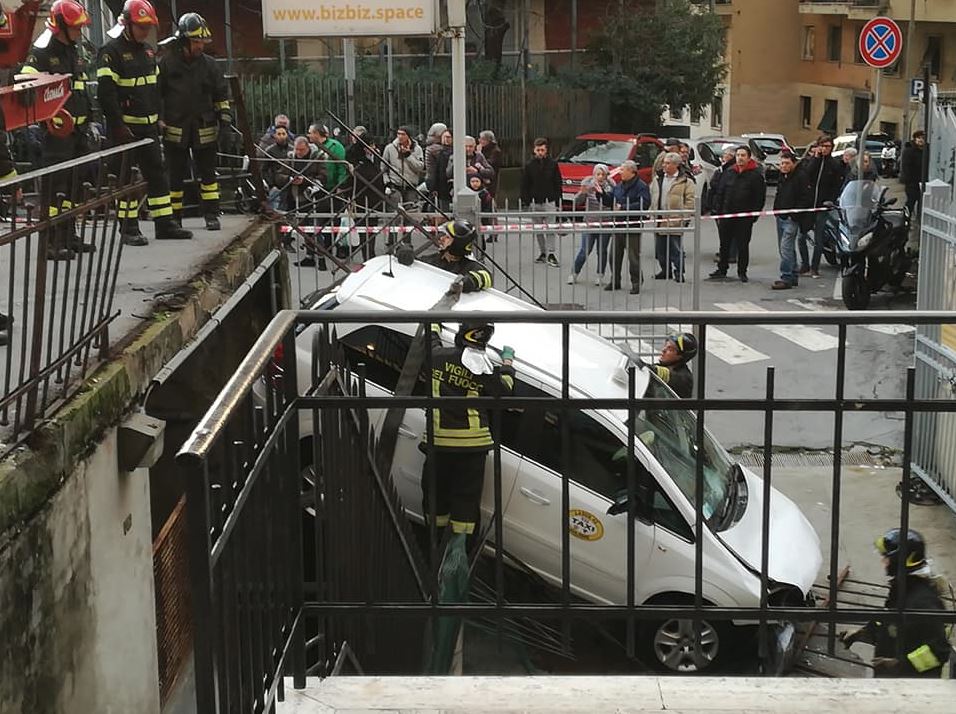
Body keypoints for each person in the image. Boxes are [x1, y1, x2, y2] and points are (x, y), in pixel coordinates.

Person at [97, 0, 192, 245]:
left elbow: (156, 88)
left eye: (147, 27)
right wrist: (117, 125)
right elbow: (106, 94)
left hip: (149, 127)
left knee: (157, 174)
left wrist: (160, 116)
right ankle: (129, 228)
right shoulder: (111, 52)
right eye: (140, 27)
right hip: (126, 129)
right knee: (126, 178)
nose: (144, 31)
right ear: (127, 24)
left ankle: (165, 224)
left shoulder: (148, 51)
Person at [420, 320, 515, 539]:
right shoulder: (486, 369)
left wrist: (434, 324)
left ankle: (434, 545)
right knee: (466, 502)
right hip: (472, 449)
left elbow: (428, 342)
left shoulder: (437, 357)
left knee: (435, 499)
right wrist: (508, 362)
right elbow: (506, 390)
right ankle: (460, 551)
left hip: (439, 445)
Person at [20, 0, 96, 259]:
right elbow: (26, 86)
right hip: (55, 135)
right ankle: (51, 242)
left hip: (78, 130)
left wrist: (90, 118)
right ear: (61, 25)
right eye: (75, 27)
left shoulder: (73, 50)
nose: (79, 31)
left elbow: (80, 86)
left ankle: (68, 234)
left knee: (74, 187)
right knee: (55, 188)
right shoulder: (41, 52)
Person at [841, 528, 952, 678]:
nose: (883, 562)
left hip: (912, 689)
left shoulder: (923, 602)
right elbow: (892, 621)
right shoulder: (903, 588)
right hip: (890, 681)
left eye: (887, 558)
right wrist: (864, 632)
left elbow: (939, 651)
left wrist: (900, 664)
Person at [159, 12, 232, 231]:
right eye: (196, 41)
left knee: (208, 175)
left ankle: (211, 214)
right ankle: (175, 218)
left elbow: (221, 94)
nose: (200, 46)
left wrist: (225, 121)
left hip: (204, 127)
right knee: (175, 177)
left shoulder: (209, 65)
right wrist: (159, 120)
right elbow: (157, 94)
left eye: (202, 41)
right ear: (184, 40)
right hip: (175, 128)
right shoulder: (167, 64)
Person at [709, 145, 766, 283]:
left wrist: (754, 215)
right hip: (727, 214)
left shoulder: (755, 175)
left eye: (743, 155)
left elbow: (759, 198)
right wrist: (719, 210)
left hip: (744, 216)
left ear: (748, 157)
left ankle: (742, 271)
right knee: (724, 244)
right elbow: (720, 191)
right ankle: (722, 269)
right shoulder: (729, 172)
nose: (740, 158)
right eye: (738, 155)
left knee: (742, 245)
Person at [397, 219, 493, 293]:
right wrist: (403, 251)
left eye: (447, 237)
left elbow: (488, 277)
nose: (441, 238)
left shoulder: (469, 267)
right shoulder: (432, 260)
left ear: (458, 244)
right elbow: (414, 265)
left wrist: (472, 281)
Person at [800, 135, 845, 278]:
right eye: (822, 146)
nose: (825, 149)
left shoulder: (834, 164)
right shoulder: (812, 161)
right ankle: (805, 264)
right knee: (802, 236)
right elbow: (806, 174)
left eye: (828, 147)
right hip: (808, 205)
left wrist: (830, 200)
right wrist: (816, 157)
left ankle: (815, 266)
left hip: (823, 205)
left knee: (819, 237)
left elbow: (837, 185)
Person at [650, 152, 696, 283]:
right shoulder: (658, 179)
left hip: (675, 219)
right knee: (660, 248)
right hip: (660, 218)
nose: (664, 165)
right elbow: (652, 195)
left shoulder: (686, 181)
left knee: (675, 247)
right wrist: (651, 211)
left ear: (676, 165)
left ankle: (679, 271)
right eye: (664, 162)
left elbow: (690, 200)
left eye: (667, 163)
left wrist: (684, 216)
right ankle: (665, 270)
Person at [607, 160, 651, 293]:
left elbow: (644, 204)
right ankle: (615, 280)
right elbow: (611, 199)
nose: (620, 172)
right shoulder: (619, 186)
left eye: (623, 170)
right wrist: (601, 194)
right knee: (614, 255)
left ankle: (636, 282)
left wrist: (625, 208)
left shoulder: (641, 186)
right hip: (618, 224)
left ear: (631, 171)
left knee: (633, 256)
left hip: (632, 224)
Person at [520, 137, 563, 268]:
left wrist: (557, 199)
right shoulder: (529, 165)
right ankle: (543, 252)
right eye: (538, 150)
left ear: (546, 150)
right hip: (535, 201)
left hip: (549, 200)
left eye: (542, 150)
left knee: (550, 228)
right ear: (534, 150)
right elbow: (525, 184)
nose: (540, 152)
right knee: (538, 229)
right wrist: (526, 200)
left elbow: (557, 182)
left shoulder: (553, 164)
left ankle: (551, 253)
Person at [568, 163, 613, 286]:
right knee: (585, 250)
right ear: (594, 175)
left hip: (605, 223)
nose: (600, 177)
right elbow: (576, 202)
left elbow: (612, 202)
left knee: (602, 250)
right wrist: (582, 193)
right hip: (590, 223)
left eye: (603, 174)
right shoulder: (588, 185)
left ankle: (600, 275)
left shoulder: (610, 186)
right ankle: (574, 273)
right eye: (598, 174)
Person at [771, 151, 810, 290]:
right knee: (786, 248)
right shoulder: (783, 176)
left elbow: (805, 197)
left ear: (793, 163)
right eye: (781, 163)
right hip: (781, 215)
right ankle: (793, 274)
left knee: (785, 247)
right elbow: (779, 193)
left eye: (787, 163)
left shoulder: (801, 176)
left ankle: (786, 277)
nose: (784, 166)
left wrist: (794, 215)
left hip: (791, 218)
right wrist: (776, 209)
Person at [381, 125, 424, 206]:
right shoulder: (390, 148)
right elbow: (383, 167)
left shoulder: (417, 149)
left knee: (411, 210)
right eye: (398, 134)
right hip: (394, 185)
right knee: (394, 210)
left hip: (410, 185)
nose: (400, 137)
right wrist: (387, 182)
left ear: (408, 136)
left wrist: (408, 156)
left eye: (403, 134)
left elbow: (420, 167)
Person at [707, 147, 737, 261]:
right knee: (724, 232)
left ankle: (730, 254)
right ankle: (726, 251)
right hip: (718, 204)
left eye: (726, 154)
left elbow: (718, 185)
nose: (723, 156)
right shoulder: (723, 168)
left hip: (724, 206)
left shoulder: (728, 169)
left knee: (728, 232)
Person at [651, 332, 697, 398]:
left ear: (680, 356)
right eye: (665, 346)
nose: (663, 350)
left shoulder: (682, 378)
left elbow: (659, 372)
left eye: (670, 349)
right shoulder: (664, 366)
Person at [263, 125, 293, 210]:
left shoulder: (292, 149)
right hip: (276, 186)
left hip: (290, 186)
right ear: (274, 135)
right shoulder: (270, 151)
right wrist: (271, 184)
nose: (281, 136)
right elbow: (264, 170)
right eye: (279, 134)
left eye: (283, 134)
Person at [308, 124, 346, 190]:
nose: (308, 135)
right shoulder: (309, 147)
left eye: (310, 133)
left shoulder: (335, 146)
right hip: (314, 185)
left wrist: (341, 185)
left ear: (316, 133)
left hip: (332, 186)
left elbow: (341, 166)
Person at [426, 128, 454, 210]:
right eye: (444, 137)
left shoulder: (456, 151)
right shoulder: (439, 152)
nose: (446, 139)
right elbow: (435, 170)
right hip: (441, 185)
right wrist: (434, 187)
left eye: (448, 137)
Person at [900, 130, 925, 216]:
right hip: (912, 182)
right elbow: (906, 167)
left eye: (923, 138)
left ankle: (919, 220)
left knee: (922, 203)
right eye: (918, 138)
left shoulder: (926, 151)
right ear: (914, 139)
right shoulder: (909, 151)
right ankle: (905, 219)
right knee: (911, 201)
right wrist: (908, 180)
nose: (921, 140)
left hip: (923, 181)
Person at [478, 129, 503, 198]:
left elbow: (490, 163)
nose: (480, 141)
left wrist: (479, 154)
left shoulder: (495, 151)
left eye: (483, 139)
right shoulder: (483, 149)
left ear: (488, 140)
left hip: (491, 178)